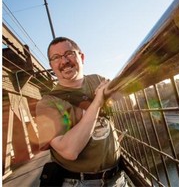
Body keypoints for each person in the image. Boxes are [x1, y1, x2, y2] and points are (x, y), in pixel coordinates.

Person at [36, 37, 130, 187]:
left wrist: (117, 89)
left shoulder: (97, 80)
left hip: (117, 178)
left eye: (69, 53)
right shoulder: (48, 103)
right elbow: (69, 151)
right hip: (79, 183)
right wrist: (98, 102)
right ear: (51, 66)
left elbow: (129, 102)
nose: (64, 61)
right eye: (56, 58)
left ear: (82, 57)